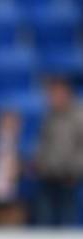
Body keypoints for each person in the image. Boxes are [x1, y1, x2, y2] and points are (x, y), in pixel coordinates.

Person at [34, 77, 83, 225]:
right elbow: (44, 145)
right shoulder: (49, 117)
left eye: (56, 94)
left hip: (70, 180)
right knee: (46, 221)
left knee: (67, 221)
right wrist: (40, 163)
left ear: (67, 94)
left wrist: (74, 171)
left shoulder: (79, 117)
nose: (52, 98)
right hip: (48, 178)